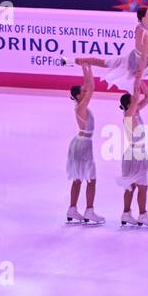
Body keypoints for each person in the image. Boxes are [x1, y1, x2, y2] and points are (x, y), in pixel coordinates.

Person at [65, 61, 106, 225]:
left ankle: (72, 209)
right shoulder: (81, 106)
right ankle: (89, 211)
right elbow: (92, 88)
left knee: (78, 179)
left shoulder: (80, 104)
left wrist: (86, 66)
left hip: (80, 143)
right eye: (82, 91)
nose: (85, 91)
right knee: (91, 179)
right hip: (83, 145)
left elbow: (89, 85)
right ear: (78, 96)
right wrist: (87, 66)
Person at [117, 90, 148, 227]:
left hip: (135, 152)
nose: (137, 102)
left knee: (132, 186)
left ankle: (126, 214)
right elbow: (137, 99)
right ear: (129, 104)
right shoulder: (128, 115)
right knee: (142, 187)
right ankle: (142, 215)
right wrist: (136, 81)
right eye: (133, 100)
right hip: (136, 154)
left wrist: (140, 80)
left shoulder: (135, 112)